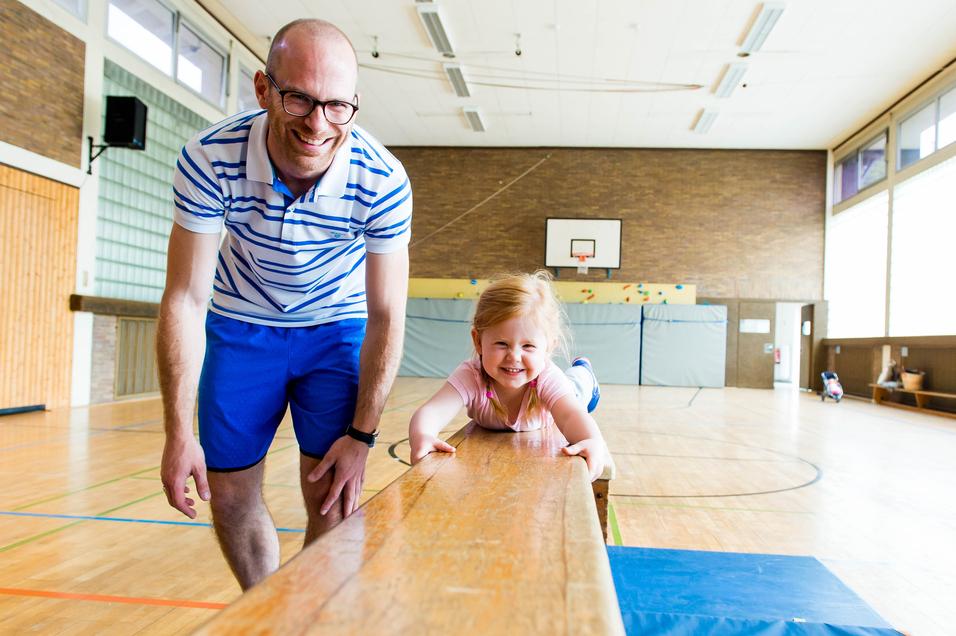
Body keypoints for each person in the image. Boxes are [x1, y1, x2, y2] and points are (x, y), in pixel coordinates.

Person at [157, 18, 411, 590]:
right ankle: (268, 611)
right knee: (229, 495)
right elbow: (186, 298)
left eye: (337, 105)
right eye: (298, 99)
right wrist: (177, 431)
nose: (318, 123)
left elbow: (387, 314)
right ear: (263, 88)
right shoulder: (208, 157)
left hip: (336, 326)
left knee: (332, 495)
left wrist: (363, 436)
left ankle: (308, 619)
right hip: (241, 325)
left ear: (354, 104)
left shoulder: (383, 179)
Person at [408, 272, 608, 481]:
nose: (514, 356)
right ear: (478, 341)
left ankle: (583, 368)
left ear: (548, 348)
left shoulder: (547, 378)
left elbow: (569, 416)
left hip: (575, 391)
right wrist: (423, 435)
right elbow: (433, 411)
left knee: (577, 386)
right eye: (502, 344)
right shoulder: (472, 375)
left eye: (528, 346)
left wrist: (591, 440)